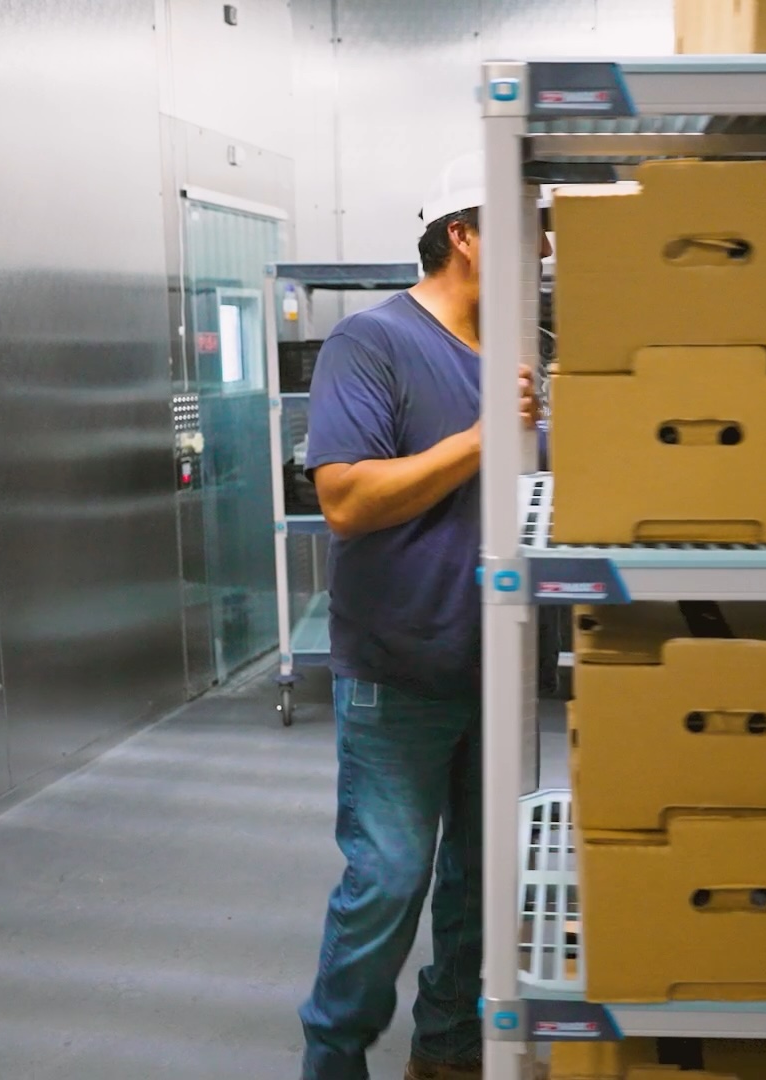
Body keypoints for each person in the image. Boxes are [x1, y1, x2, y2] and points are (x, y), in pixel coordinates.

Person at [296, 156, 543, 1080]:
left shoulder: (523, 349)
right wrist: (483, 439)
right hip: (400, 667)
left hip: (500, 665)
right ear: (462, 235)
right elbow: (348, 500)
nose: (545, 245)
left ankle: (446, 1053)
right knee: (388, 881)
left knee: (480, 887)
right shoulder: (371, 342)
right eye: (525, 226)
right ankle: (335, 1057)